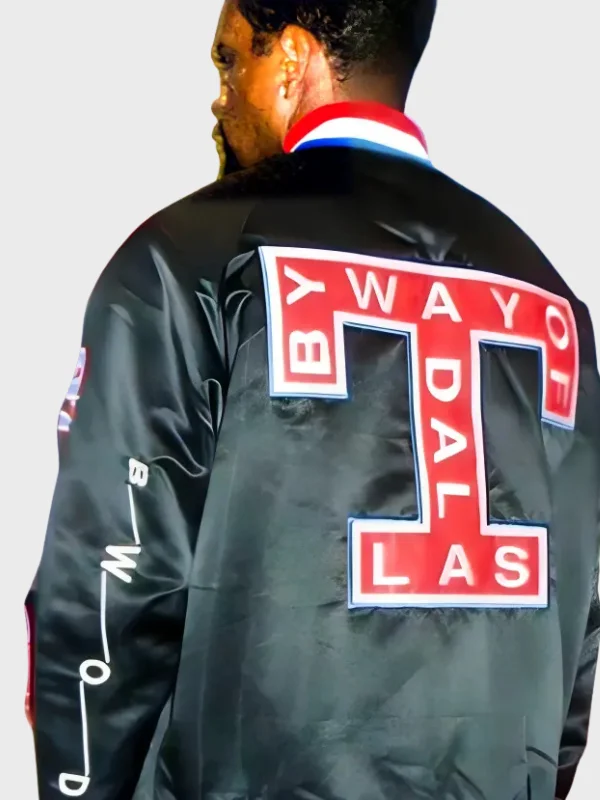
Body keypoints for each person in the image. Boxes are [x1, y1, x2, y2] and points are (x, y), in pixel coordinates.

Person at [28, 1, 600, 799]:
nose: (220, 96)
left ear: (292, 60)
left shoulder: (188, 259)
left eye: (231, 60)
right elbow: (577, 622)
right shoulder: (552, 300)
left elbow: (106, 595)